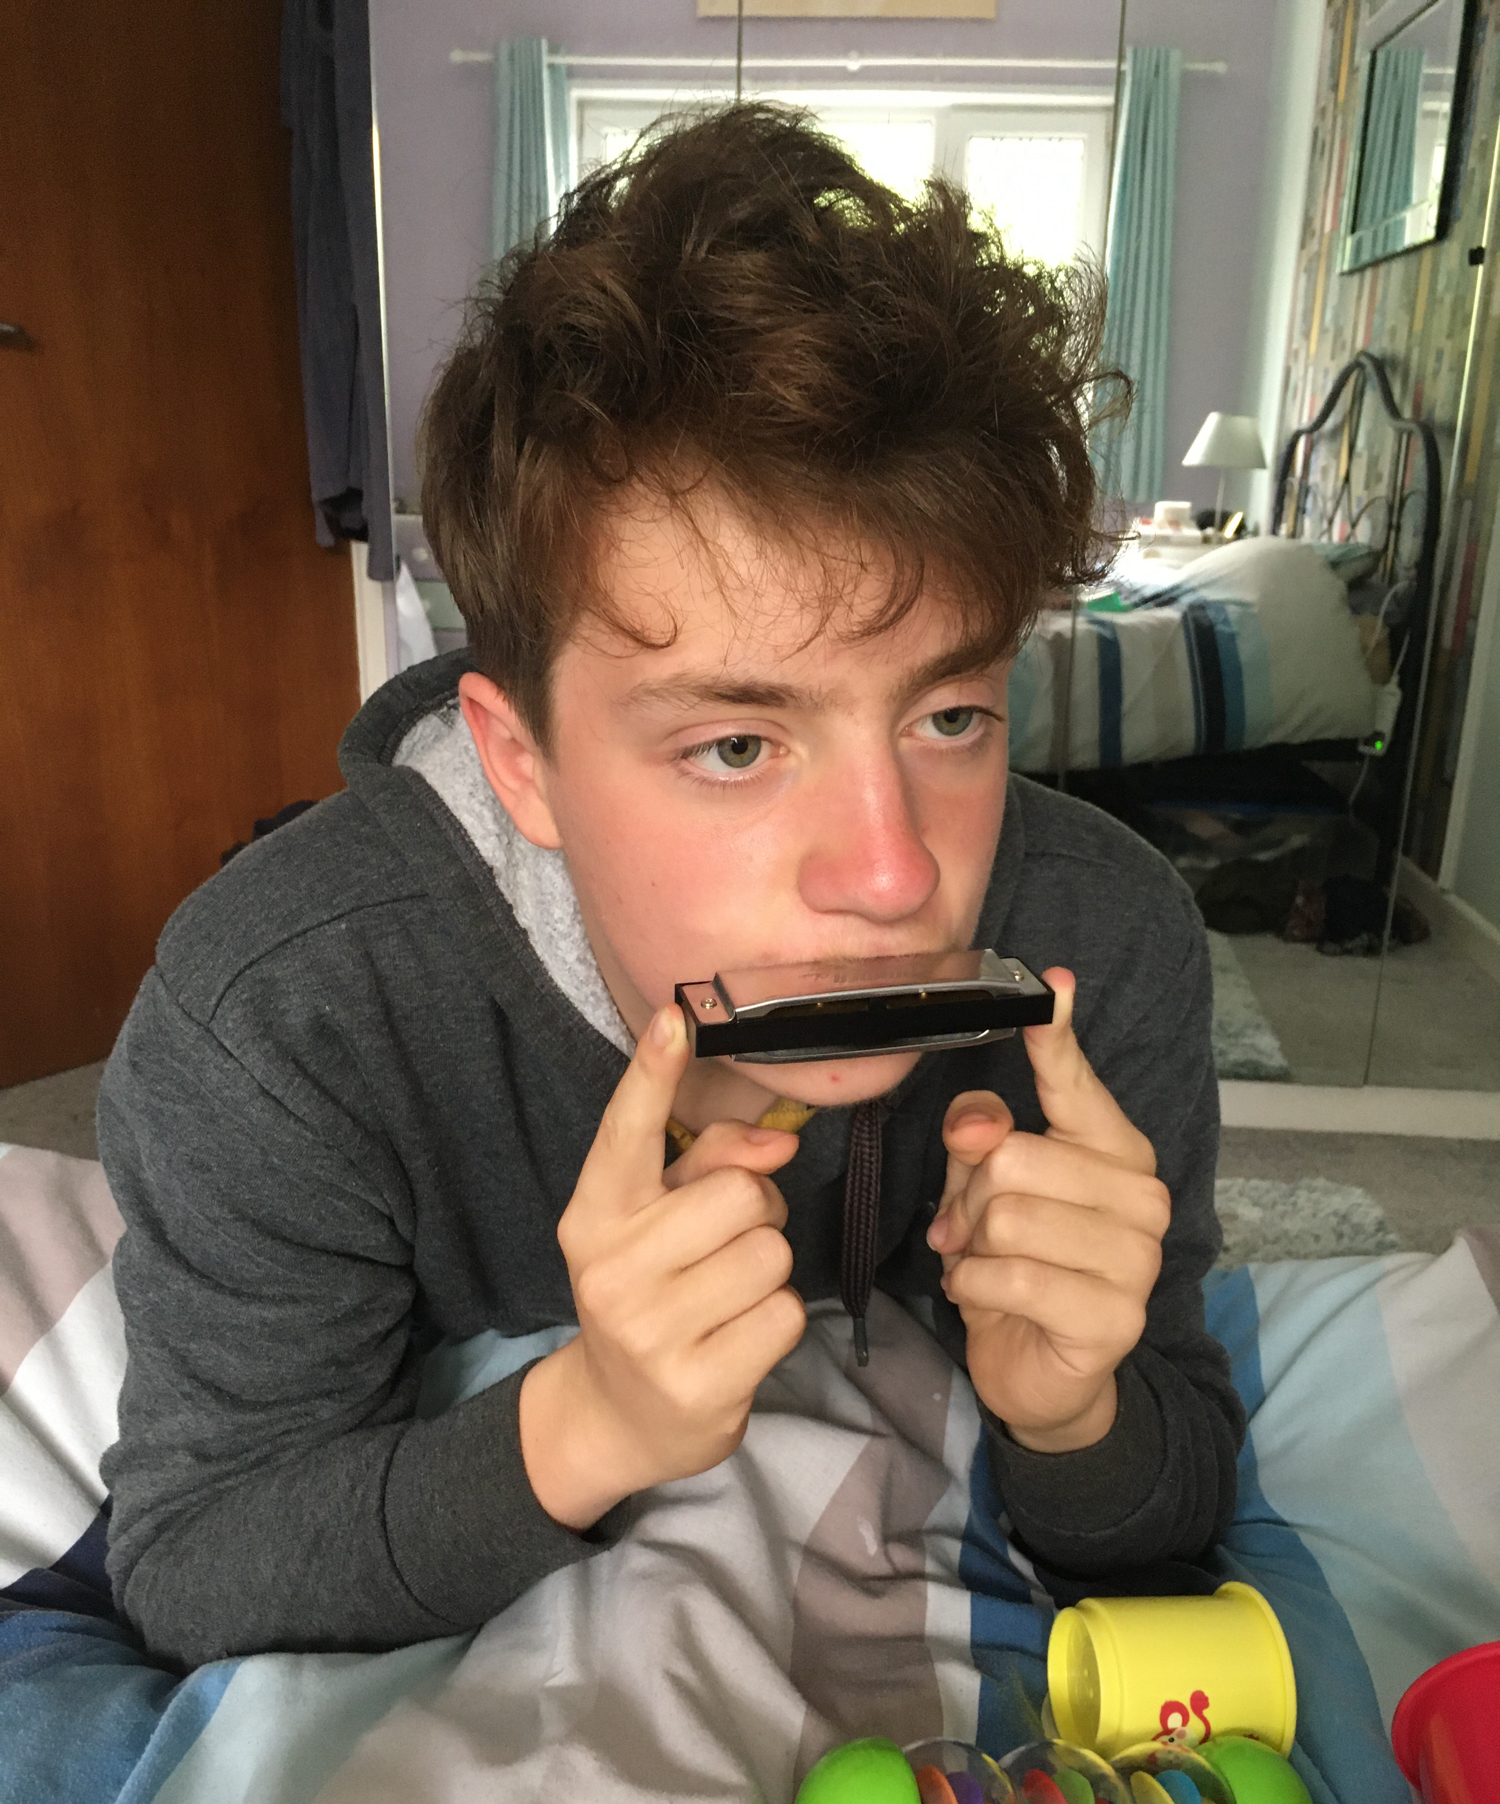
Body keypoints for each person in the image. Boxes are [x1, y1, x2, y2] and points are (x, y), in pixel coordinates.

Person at [98, 104, 1242, 1672]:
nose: (895, 875)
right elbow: (194, 1557)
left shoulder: (1108, 935)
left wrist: (1075, 1413)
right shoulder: (280, 1017)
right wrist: (587, 1426)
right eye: (735, 746)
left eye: (948, 718)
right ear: (521, 763)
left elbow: (1173, 1487)